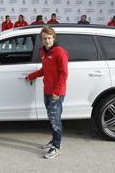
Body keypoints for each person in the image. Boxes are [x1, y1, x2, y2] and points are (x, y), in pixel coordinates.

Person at [26, 26, 68, 159]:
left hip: (56, 92)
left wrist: (57, 91)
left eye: (49, 38)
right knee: (52, 118)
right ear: (41, 40)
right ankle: (54, 141)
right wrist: (32, 75)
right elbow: (45, 70)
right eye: (44, 38)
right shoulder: (43, 52)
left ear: (54, 38)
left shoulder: (59, 51)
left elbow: (63, 74)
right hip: (47, 91)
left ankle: (57, 146)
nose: (47, 40)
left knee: (56, 120)